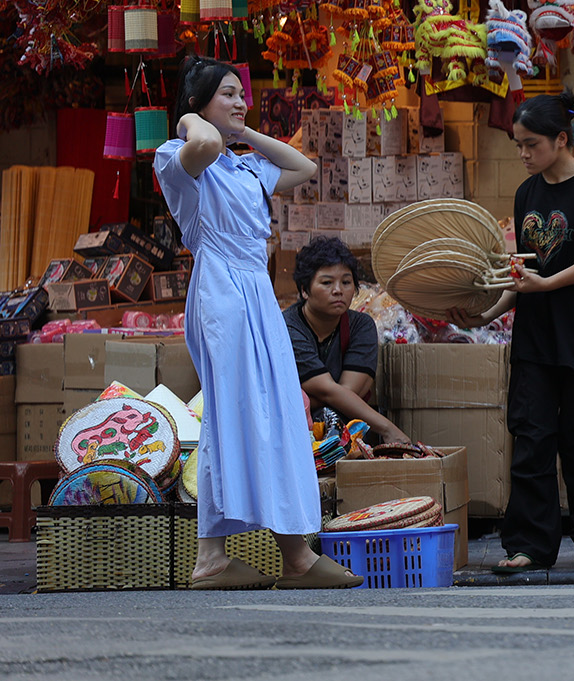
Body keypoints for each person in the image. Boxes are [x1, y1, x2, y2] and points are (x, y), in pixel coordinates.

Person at [154, 56, 361, 590]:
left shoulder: (244, 163)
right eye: (228, 94)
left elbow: (304, 167)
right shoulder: (177, 155)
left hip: (256, 292)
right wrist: (186, 120)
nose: (240, 100)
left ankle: (239, 557)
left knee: (271, 409)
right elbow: (202, 145)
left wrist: (246, 130)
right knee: (241, 412)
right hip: (221, 292)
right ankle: (271, 557)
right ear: (199, 104)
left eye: (241, 93)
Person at [448, 90, 574, 574]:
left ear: (561, 139)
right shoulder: (528, 192)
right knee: (530, 438)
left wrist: (547, 283)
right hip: (537, 338)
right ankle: (528, 544)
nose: (523, 154)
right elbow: (524, 273)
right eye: (518, 145)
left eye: (530, 144)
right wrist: (488, 314)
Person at [283, 235, 410, 445]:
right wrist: (388, 429)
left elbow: (347, 393)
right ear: (305, 290)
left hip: (350, 436)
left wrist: (305, 399)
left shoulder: (361, 326)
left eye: (346, 282)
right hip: (295, 435)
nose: (338, 290)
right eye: (326, 282)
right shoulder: (287, 327)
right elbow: (329, 391)